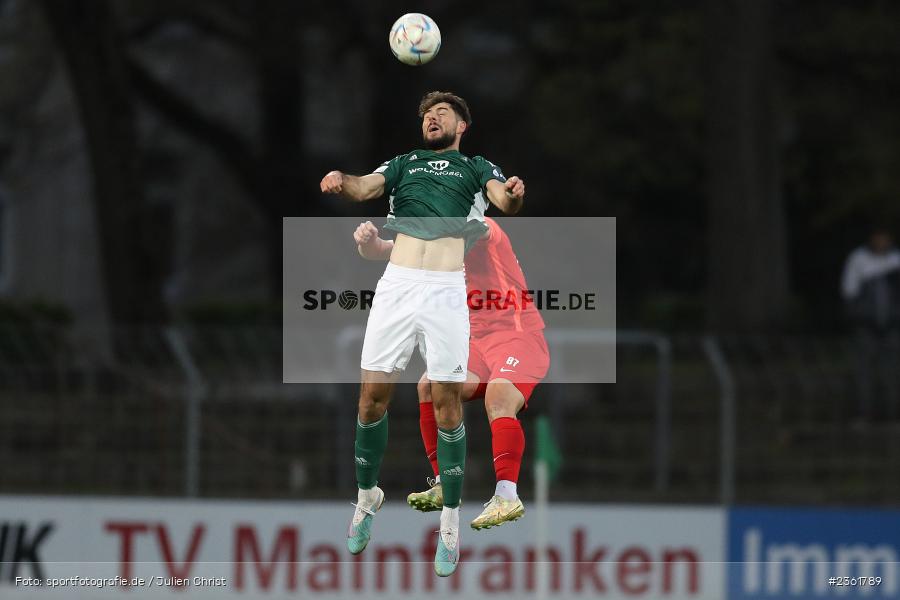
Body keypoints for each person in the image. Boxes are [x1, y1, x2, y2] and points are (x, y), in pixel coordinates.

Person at [319, 91, 525, 576]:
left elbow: (503, 199)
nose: (432, 119)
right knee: (371, 399)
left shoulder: (476, 167)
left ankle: (449, 522)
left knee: (444, 400)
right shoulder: (405, 163)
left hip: (446, 292)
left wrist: (513, 193)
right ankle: (367, 497)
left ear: (462, 125)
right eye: (427, 115)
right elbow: (365, 186)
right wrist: (340, 180)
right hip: (398, 286)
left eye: (442, 114)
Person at [353, 216, 549, 531]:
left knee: (498, 398)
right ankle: (443, 481)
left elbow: (477, 229)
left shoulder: (481, 225)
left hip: (519, 336)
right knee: (429, 386)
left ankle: (507, 495)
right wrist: (370, 244)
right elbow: (389, 251)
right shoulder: (436, 235)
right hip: (478, 343)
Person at [841, 226, 900, 421]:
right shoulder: (859, 259)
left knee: (892, 372)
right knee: (863, 372)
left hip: (892, 327)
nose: (882, 242)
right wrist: (860, 318)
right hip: (866, 327)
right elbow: (849, 293)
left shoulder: (896, 259)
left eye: (886, 238)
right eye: (879, 238)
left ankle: (892, 414)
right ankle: (863, 415)